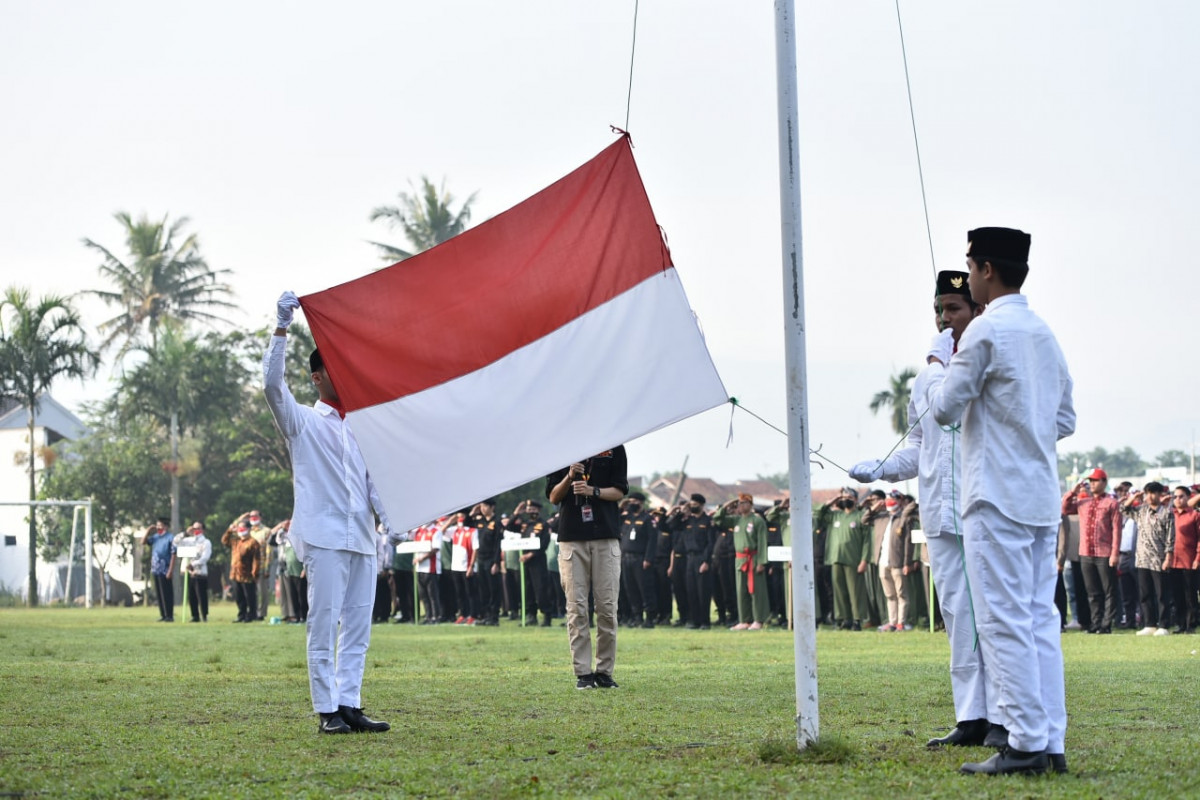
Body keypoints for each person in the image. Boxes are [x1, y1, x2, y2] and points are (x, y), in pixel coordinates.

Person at [926, 228, 1075, 775]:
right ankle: (1049, 741)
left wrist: (944, 358)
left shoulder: (986, 330)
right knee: (1039, 621)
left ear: (986, 270)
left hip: (993, 498)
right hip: (1038, 496)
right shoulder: (1042, 332)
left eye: (971, 266)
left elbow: (943, 409)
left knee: (1002, 623)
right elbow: (1065, 420)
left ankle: (1026, 744)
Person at [851, 269, 1004, 748]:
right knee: (957, 613)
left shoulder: (984, 360)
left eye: (953, 308)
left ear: (976, 310)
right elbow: (920, 443)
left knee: (991, 614)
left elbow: (955, 409)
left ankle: (1003, 715)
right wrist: (883, 468)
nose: (944, 318)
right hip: (939, 508)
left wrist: (941, 365)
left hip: (984, 505)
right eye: (939, 310)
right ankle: (971, 715)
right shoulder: (927, 377)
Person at [265, 291, 397, 735]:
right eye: (336, 368)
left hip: (361, 537)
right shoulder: (302, 422)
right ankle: (326, 711)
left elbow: (374, 483)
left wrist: (392, 520)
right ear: (318, 377)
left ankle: (350, 703)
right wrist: (281, 327)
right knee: (322, 625)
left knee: (358, 626)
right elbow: (271, 386)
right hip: (322, 537)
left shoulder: (360, 427)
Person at [547, 447, 628, 689]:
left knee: (606, 608)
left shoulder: (614, 448)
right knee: (576, 607)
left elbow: (619, 491)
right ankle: (583, 672)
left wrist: (593, 491)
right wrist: (570, 476)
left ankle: (604, 672)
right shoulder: (560, 449)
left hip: (605, 536)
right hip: (572, 538)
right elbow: (553, 496)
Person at [1061, 469, 1123, 633]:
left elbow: (1116, 530)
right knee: (1092, 591)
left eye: (1096, 481)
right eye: (1091, 481)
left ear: (1104, 482)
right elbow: (1065, 509)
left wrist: (1115, 553)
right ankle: (1095, 622)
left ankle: (1106, 624)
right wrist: (1072, 492)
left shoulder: (1111, 503)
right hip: (1086, 552)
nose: (1092, 484)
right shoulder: (1084, 503)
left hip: (1104, 552)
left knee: (1109, 590)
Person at [1121, 482, 1173, 635]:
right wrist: (1133, 498)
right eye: (1147, 493)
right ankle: (1149, 624)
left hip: (1159, 558)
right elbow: (1123, 509)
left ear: (1159, 494)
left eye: (1153, 493)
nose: (1150, 497)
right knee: (1144, 594)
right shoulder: (1141, 511)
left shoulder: (1166, 513)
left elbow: (1171, 537)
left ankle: (1163, 625)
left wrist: (1168, 557)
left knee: (1162, 594)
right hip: (1142, 559)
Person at [713, 493, 769, 631]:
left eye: (744, 503)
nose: (741, 506)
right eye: (739, 503)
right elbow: (717, 519)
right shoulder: (736, 520)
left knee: (756, 590)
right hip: (740, 559)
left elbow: (763, 542)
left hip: (754, 558)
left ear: (750, 505)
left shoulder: (757, 520)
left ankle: (758, 619)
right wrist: (728, 504)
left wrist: (762, 562)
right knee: (741, 590)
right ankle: (744, 620)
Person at [817, 488, 870, 630]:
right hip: (835, 558)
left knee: (855, 591)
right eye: (843, 497)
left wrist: (864, 560)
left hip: (853, 559)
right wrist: (834, 499)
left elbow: (867, 540)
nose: (845, 499)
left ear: (855, 499)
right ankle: (844, 619)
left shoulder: (860, 516)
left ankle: (857, 619)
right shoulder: (835, 516)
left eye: (849, 497)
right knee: (839, 591)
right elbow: (819, 514)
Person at [663, 494, 716, 629]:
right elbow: (669, 526)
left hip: (701, 558)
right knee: (691, 590)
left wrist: (706, 561)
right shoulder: (687, 521)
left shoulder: (707, 521)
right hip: (689, 558)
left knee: (703, 591)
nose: (692, 507)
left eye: (695, 504)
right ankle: (694, 620)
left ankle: (705, 621)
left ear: (702, 505)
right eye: (691, 504)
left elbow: (711, 543)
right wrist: (680, 511)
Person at [618, 491, 658, 628]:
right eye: (630, 501)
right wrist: (621, 506)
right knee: (630, 589)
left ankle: (650, 618)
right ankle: (637, 617)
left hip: (641, 559)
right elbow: (613, 520)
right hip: (626, 558)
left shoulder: (647, 519)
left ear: (641, 502)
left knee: (645, 589)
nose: (631, 504)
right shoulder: (627, 517)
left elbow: (652, 541)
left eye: (634, 501)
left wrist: (648, 559)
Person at [1169, 486, 1200, 633]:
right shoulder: (1170, 515)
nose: (1178, 499)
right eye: (1175, 497)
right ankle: (1180, 624)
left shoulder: (1194, 515)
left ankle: (1191, 624)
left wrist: (1197, 558)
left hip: (1189, 560)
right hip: (1173, 560)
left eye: (1181, 496)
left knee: (1190, 595)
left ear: (1188, 497)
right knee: (1177, 594)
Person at [469, 499, 503, 626]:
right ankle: (485, 615)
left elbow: (498, 545)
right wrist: (474, 510)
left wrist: (496, 563)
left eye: (485, 506)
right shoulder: (479, 521)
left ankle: (494, 617)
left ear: (492, 507)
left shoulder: (497, 522)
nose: (483, 508)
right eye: (482, 506)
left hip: (491, 560)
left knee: (493, 588)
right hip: (481, 559)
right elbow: (468, 522)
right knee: (483, 589)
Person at [222, 519, 261, 623]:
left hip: (247, 574)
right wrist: (230, 530)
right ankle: (241, 614)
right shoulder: (236, 541)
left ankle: (252, 615)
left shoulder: (253, 542)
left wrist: (255, 573)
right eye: (239, 528)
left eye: (243, 527)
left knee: (249, 596)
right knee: (239, 596)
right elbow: (224, 541)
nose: (241, 530)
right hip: (235, 574)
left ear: (249, 529)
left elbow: (256, 560)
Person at [142, 517, 176, 622]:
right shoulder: (155, 537)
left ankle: (169, 615)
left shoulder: (170, 538)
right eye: (157, 525)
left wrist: (170, 570)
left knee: (167, 593)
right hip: (156, 569)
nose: (158, 527)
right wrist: (148, 530)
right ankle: (163, 615)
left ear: (166, 526)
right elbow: (143, 542)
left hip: (165, 569)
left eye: (160, 525)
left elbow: (174, 554)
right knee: (159, 594)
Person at [177, 521, 212, 623]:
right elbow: (176, 542)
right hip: (188, 572)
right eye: (194, 528)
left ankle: (204, 615)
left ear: (203, 530)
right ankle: (194, 615)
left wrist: (194, 564)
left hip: (199, 572)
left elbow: (205, 557)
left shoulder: (206, 542)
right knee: (191, 596)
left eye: (198, 528)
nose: (196, 530)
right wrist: (185, 533)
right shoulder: (189, 540)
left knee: (201, 596)